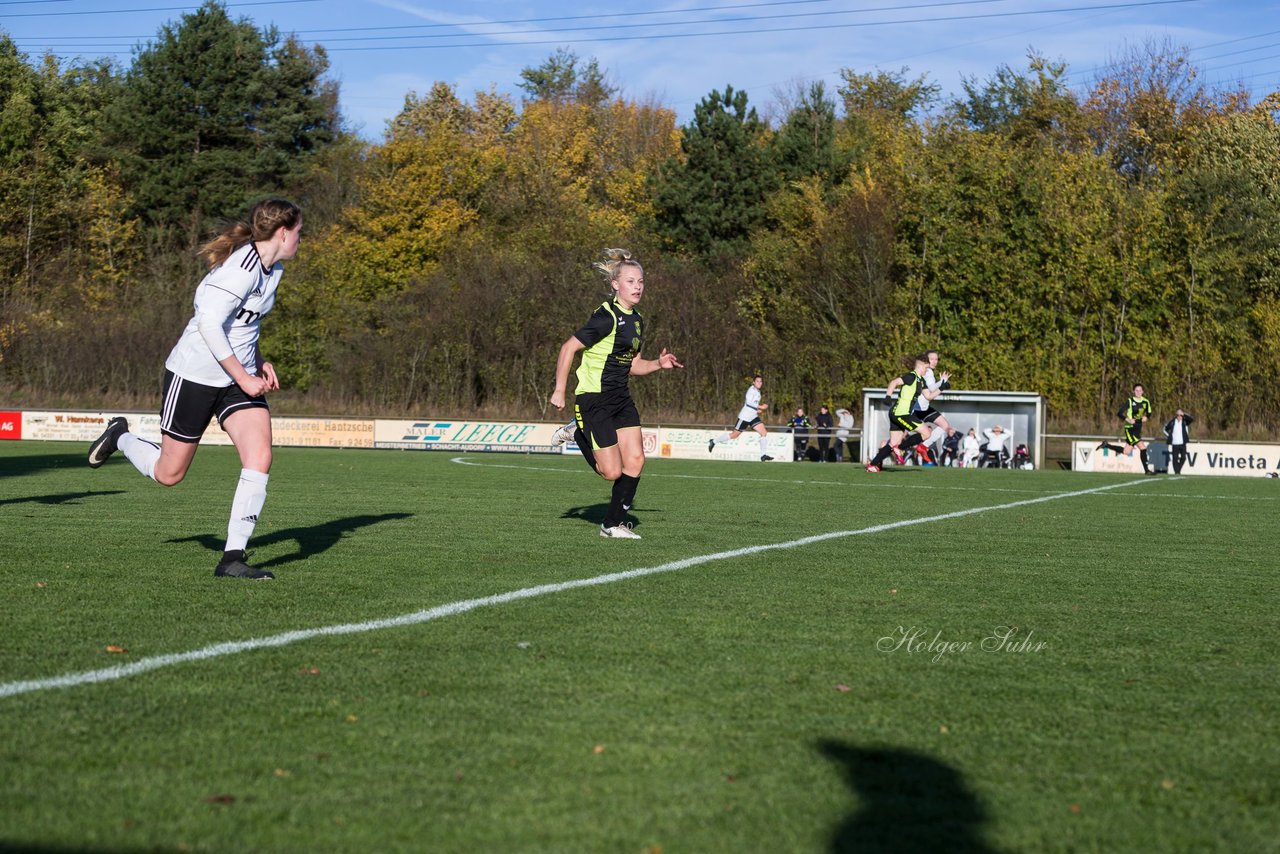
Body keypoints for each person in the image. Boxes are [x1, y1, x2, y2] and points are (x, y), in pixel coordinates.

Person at [86, 199, 303, 580]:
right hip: (194, 376)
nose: (302, 238)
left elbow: (244, 327)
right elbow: (209, 326)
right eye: (299, 232)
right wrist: (244, 375)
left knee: (260, 457)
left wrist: (260, 360)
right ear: (283, 233)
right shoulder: (239, 271)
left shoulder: (275, 270)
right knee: (169, 474)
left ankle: (232, 558)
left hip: (237, 377)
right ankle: (120, 436)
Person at [549, 248, 684, 539]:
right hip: (594, 398)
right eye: (631, 281)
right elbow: (568, 348)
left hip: (620, 397)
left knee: (635, 461)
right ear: (615, 284)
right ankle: (577, 432)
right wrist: (560, 389)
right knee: (610, 472)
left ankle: (612, 525)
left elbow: (633, 365)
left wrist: (658, 365)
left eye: (641, 281)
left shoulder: (636, 320)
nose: (638, 287)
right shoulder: (605, 317)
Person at [865, 354, 935, 472]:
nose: (927, 371)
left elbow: (928, 396)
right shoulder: (911, 377)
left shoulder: (921, 381)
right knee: (927, 433)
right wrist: (888, 396)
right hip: (901, 414)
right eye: (926, 368)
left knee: (892, 443)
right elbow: (894, 382)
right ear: (921, 366)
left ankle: (872, 465)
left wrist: (941, 387)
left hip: (898, 413)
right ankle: (901, 448)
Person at [707, 374, 773, 461]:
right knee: (734, 435)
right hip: (745, 417)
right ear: (753, 382)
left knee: (764, 432)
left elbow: (750, 405)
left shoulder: (758, 392)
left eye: (761, 381)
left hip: (753, 416)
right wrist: (761, 407)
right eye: (757, 381)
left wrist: (756, 411)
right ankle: (714, 441)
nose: (759, 383)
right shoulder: (751, 390)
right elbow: (749, 402)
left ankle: (763, 455)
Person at [1098, 383, 1153, 474]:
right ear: (1133, 391)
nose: (1138, 392)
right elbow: (1119, 413)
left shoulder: (1146, 402)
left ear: (1143, 391)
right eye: (1136, 390)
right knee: (1143, 447)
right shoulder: (1130, 401)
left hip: (1138, 428)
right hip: (1130, 428)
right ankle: (1147, 470)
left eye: (1140, 390)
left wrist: (1146, 417)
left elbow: (1149, 412)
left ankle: (1106, 445)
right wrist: (1127, 419)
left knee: (1126, 452)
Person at [911, 349, 953, 464]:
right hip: (917, 408)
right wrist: (942, 382)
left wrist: (942, 382)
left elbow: (931, 389)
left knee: (944, 425)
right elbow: (931, 389)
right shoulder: (927, 372)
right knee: (901, 438)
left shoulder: (928, 371)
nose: (934, 361)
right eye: (931, 359)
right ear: (926, 360)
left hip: (924, 408)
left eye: (936, 359)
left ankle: (923, 447)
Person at [1163, 409, 1195, 474]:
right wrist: (1169, 436)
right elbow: (1165, 429)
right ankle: (1177, 472)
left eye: (1180, 415)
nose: (1179, 417)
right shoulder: (1172, 422)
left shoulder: (1185, 421)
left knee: (1183, 458)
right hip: (1175, 443)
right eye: (1177, 415)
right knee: (1175, 458)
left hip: (1182, 443)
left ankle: (1178, 470)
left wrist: (1184, 414)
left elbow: (1191, 419)